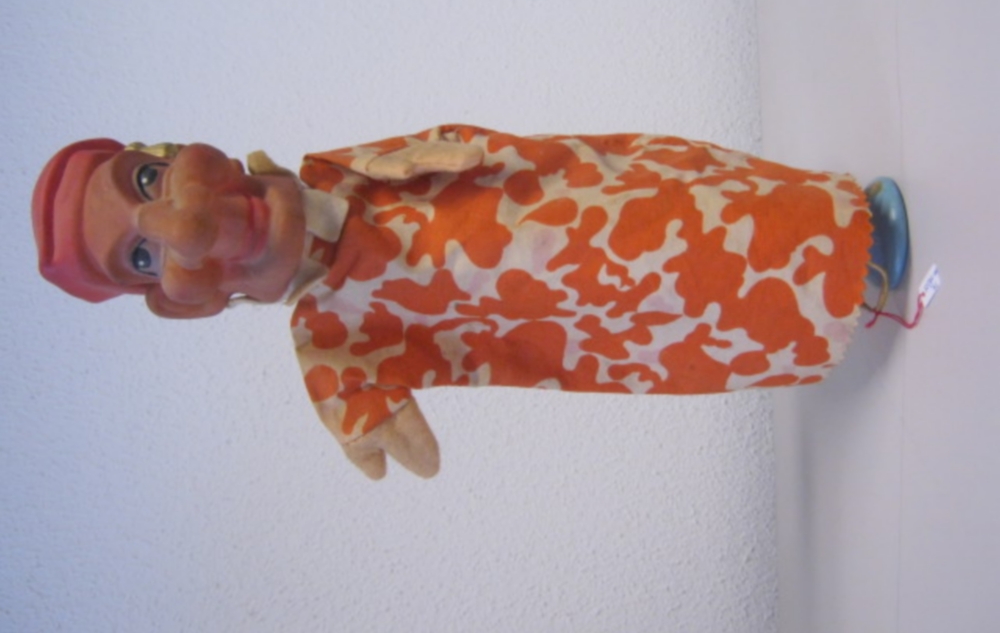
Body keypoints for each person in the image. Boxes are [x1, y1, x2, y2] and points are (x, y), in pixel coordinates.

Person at [32, 124, 907, 479]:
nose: (179, 220)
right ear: (180, 305)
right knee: (690, 293)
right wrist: (365, 413)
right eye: (142, 255)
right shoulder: (330, 328)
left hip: (573, 197)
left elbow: (454, 149)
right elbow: (356, 389)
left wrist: (448, 153)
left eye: (146, 181)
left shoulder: (346, 171)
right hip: (578, 313)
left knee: (686, 199)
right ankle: (844, 291)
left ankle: (839, 220)